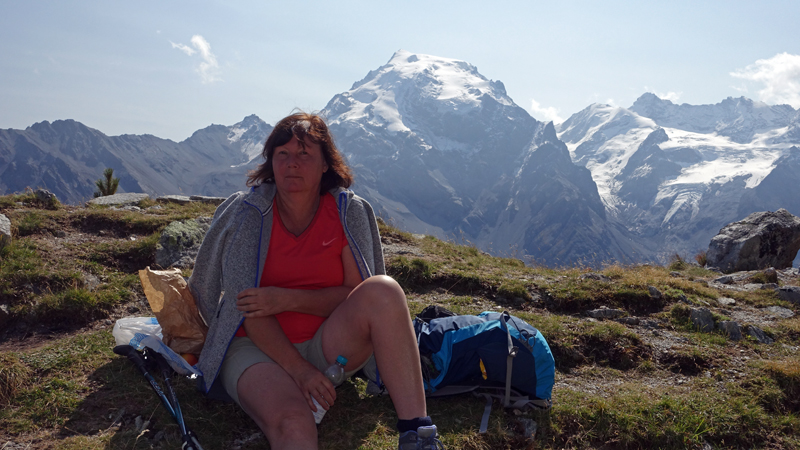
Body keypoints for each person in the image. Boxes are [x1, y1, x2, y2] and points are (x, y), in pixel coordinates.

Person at [189, 112, 445, 450]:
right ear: (271, 161)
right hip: (255, 347)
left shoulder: (345, 212)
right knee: (294, 425)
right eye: (283, 154)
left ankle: (417, 433)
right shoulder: (249, 216)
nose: (292, 163)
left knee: (383, 290)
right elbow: (248, 311)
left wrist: (286, 299)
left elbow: (355, 295)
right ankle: (288, 393)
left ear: (326, 163)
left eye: (304, 154)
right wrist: (300, 371)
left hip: (327, 342)